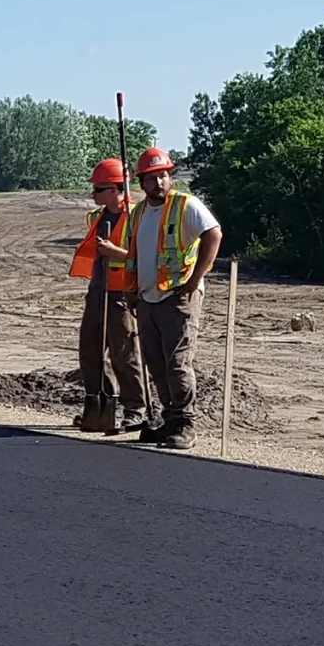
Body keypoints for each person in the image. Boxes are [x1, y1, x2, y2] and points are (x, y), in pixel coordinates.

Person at [130, 147, 222, 449]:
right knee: (156, 364)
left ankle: (185, 424)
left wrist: (195, 280)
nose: (159, 182)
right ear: (142, 181)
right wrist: (132, 291)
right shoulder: (139, 213)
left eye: (164, 175)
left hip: (178, 296)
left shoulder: (186, 205)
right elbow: (135, 254)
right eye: (153, 177)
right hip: (147, 298)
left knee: (178, 362)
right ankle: (170, 421)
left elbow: (213, 234)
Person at [68, 157, 149, 435]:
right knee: (90, 351)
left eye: (99, 189)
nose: (93, 194)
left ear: (116, 189)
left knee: (124, 354)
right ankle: (99, 404)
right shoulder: (97, 216)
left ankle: (134, 410)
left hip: (121, 292)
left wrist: (117, 253)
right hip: (97, 291)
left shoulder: (136, 216)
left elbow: (145, 258)